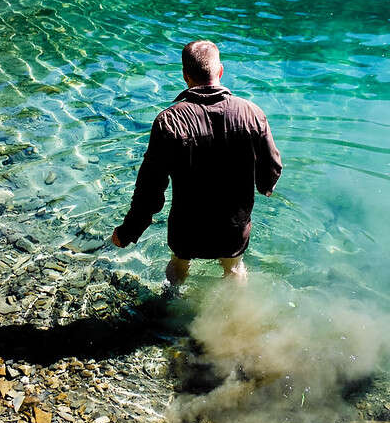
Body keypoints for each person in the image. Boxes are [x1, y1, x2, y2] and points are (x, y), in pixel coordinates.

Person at [111, 40, 282, 286]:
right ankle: (238, 322)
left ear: (185, 76)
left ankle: (169, 312)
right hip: (232, 228)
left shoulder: (168, 122)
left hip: (187, 230)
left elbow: (150, 190)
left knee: (178, 267)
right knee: (234, 270)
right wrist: (265, 185)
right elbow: (273, 167)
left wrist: (128, 232)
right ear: (220, 71)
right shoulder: (252, 113)